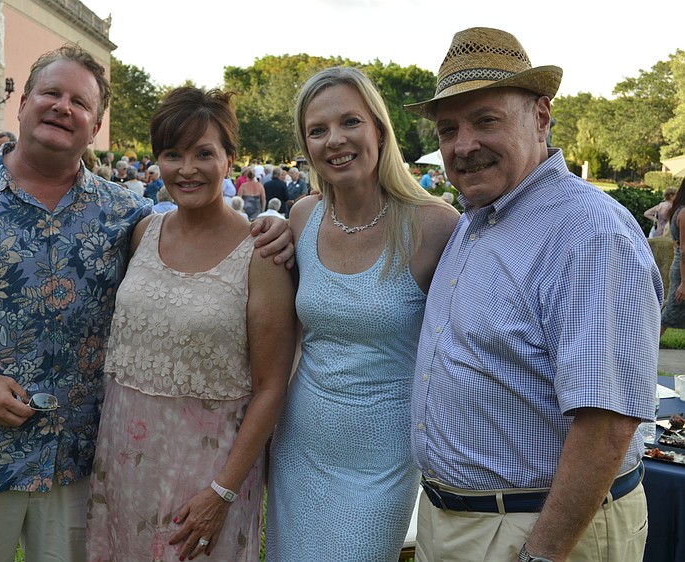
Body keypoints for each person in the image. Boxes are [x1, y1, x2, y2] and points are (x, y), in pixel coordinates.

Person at [0, 44, 294, 562]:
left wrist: (278, 225)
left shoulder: (125, 215)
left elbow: (203, 251)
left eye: (79, 102)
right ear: (22, 105)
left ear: (95, 124)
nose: (63, 107)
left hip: (81, 467)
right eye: (51, 93)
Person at [404, 27, 662, 562]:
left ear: (541, 116)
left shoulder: (588, 232)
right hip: (459, 523)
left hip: (540, 531)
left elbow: (608, 420)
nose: (463, 145)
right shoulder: (477, 220)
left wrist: (541, 554)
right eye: (449, 129)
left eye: (486, 121)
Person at [87, 86, 296, 562]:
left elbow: (271, 387)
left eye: (204, 153)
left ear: (230, 159)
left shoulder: (260, 252)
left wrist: (221, 493)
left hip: (207, 470)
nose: (186, 169)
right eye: (172, 154)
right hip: (123, 460)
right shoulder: (144, 232)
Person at [265, 66, 458, 561]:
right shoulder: (302, 218)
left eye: (350, 122)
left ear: (379, 128)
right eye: (317, 130)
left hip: (384, 461)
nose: (335, 140)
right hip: (300, 445)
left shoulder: (434, 224)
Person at [661, 178, 685, 337]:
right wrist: (684, 283)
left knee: (671, 311)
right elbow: (684, 250)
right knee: (670, 313)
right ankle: (642, 354)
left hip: (680, 269)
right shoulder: (684, 212)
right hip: (683, 271)